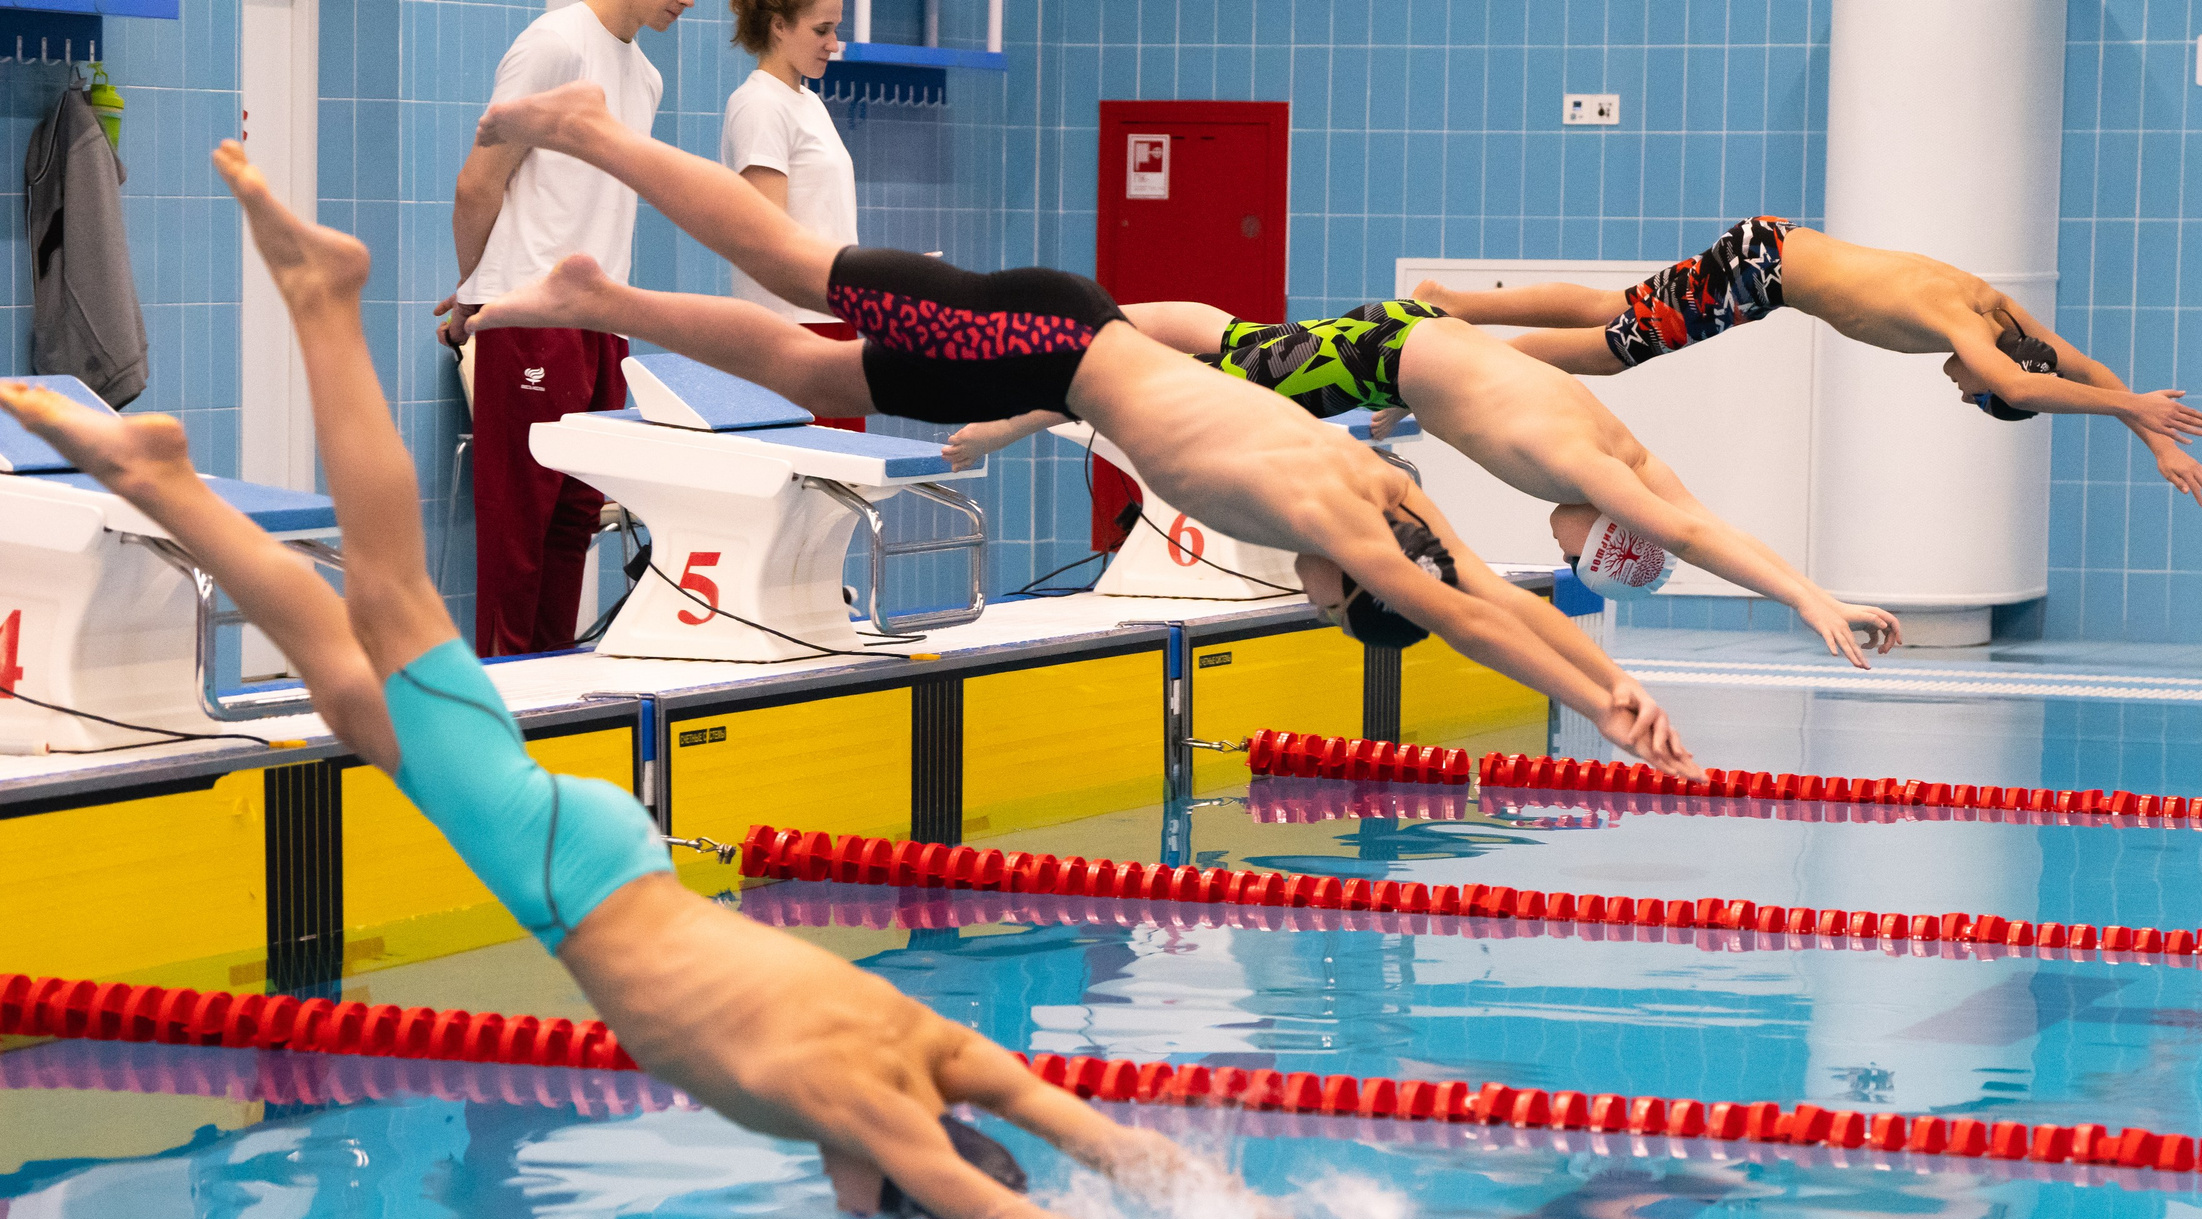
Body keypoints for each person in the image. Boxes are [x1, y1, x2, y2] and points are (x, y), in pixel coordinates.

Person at [4, 139, 1344, 1219]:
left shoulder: (927, 1047)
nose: (843, 1204)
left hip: (621, 870)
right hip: (571, 880)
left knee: (359, 685)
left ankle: (163, 478)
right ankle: (319, 304)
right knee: (393, 608)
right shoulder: (863, 1100)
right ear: (886, 1178)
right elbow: (1023, 1214)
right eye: (865, 1205)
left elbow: (1110, 1146)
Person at [464, 81, 1700, 778]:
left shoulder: (1386, 494)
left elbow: (1483, 586)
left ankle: (601, 300)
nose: (1313, 601)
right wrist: (1592, 704)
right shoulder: (1345, 523)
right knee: (795, 271)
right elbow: (1466, 617)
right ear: (1348, 585)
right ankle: (590, 133)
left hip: (1061, 356)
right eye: (1329, 606)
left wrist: (1616, 681)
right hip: (1040, 343)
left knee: (804, 360)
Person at [944, 299, 1904, 668]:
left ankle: (1020, 401)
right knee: (1156, 362)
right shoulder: (1593, 472)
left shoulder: (1631, 455)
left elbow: (1706, 523)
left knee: (1218, 344)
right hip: (1386, 356)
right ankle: (1005, 416)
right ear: (1607, 533)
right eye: (1578, 555)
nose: (1561, 548)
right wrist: (1810, 605)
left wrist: (1822, 588)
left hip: (1402, 349)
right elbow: (1695, 539)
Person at [1412, 217, 2202, 508]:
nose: (1967, 394)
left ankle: (1459, 309)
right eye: (1979, 401)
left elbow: (2077, 365)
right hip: (1765, 268)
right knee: (1613, 344)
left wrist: (2158, 439)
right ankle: (1458, 344)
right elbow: (2025, 384)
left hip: (1769, 260)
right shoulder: (1972, 331)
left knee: (1614, 317)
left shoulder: (2005, 317)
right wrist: (2134, 411)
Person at [435, 0, 688, 657]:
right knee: (518, 534)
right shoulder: (554, 44)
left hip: (602, 320)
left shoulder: (646, 77)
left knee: (574, 521)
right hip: (529, 319)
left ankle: (553, 695)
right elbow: (478, 183)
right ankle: (509, 703)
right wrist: (476, 293)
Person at [723, 0, 866, 431]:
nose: (833, 44)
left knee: (845, 490)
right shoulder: (759, 105)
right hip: (792, 330)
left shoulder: (808, 102)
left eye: (836, 30)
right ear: (779, 25)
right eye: (822, 30)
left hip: (830, 318)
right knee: (810, 488)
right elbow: (768, 239)